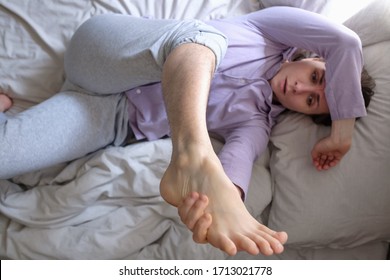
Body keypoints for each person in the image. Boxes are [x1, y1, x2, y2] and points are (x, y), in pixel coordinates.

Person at [0, 6, 373, 256]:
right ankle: (191, 153)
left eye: (312, 102)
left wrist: (219, 203)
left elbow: (238, 160)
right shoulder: (269, 31)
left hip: (111, 116)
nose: (303, 90)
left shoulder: (255, 121)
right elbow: (345, 42)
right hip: (114, 51)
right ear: (312, 56)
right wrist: (341, 132)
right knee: (203, 39)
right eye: (315, 77)